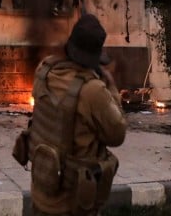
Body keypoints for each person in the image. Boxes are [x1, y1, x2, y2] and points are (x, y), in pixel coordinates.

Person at [27, 14, 126, 216]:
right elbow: (117, 134)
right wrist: (111, 87)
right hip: (72, 205)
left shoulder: (44, 70)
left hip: (42, 196)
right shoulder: (93, 90)